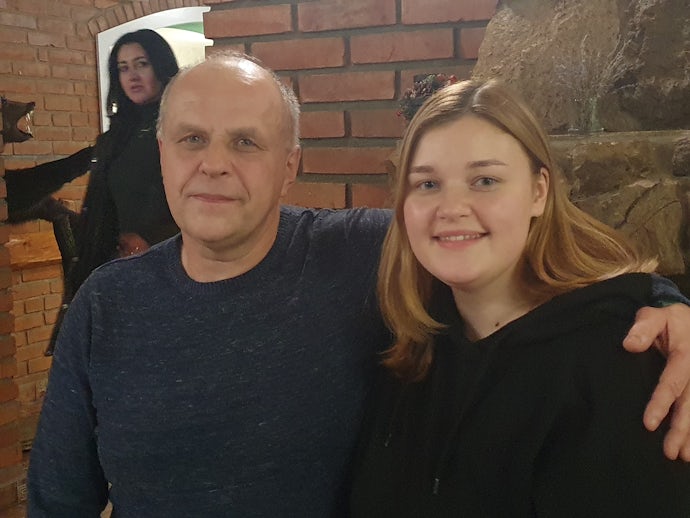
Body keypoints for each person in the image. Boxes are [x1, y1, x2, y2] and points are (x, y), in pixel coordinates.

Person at [26, 53, 690, 517]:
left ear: (290, 167)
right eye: (191, 139)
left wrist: (666, 306)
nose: (214, 165)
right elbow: (59, 501)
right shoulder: (106, 306)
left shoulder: (360, 252)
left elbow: (507, 259)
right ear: (162, 153)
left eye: (246, 143)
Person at [349, 79, 690, 517]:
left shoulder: (616, 360)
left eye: (485, 180)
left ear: (538, 192)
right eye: (428, 184)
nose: (451, 208)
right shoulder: (409, 344)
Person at [46, 28, 181, 354]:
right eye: (123, 68)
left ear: (161, 66)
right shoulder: (113, 139)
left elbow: (199, 198)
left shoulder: (184, 129)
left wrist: (152, 239)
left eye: (141, 64)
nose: (132, 75)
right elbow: (103, 207)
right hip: (119, 271)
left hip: (175, 269)